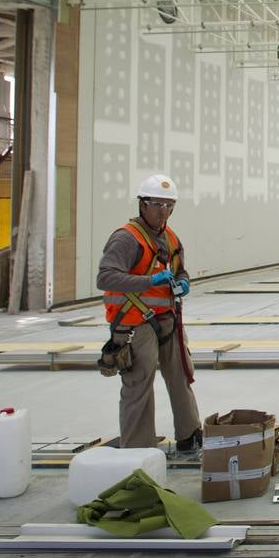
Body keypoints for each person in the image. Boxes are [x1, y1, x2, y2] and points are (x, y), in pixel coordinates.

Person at [97, 174, 201, 452]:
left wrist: (184, 281)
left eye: (169, 206)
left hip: (169, 320)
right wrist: (148, 282)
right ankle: (137, 448)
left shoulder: (170, 237)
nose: (163, 212)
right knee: (139, 384)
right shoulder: (126, 239)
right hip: (135, 324)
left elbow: (180, 269)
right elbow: (105, 278)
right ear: (143, 204)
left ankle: (189, 434)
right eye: (157, 204)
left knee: (181, 375)